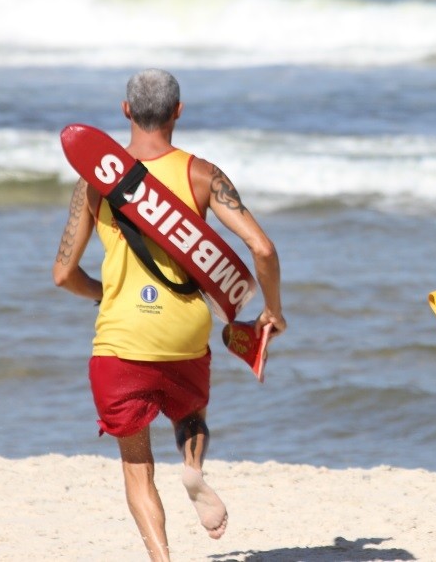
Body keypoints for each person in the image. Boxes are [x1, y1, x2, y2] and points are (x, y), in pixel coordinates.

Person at [52, 69, 287, 561]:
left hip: (120, 339)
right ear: (178, 111)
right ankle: (194, 467)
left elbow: (62, 274)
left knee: (137, 468)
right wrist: (272, 310)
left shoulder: (96, 181)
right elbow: (262, 248)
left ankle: (162, 557)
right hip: (184, 333)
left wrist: (105, 292)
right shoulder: (202, 174)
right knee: (190, 414)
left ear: (125, 111)